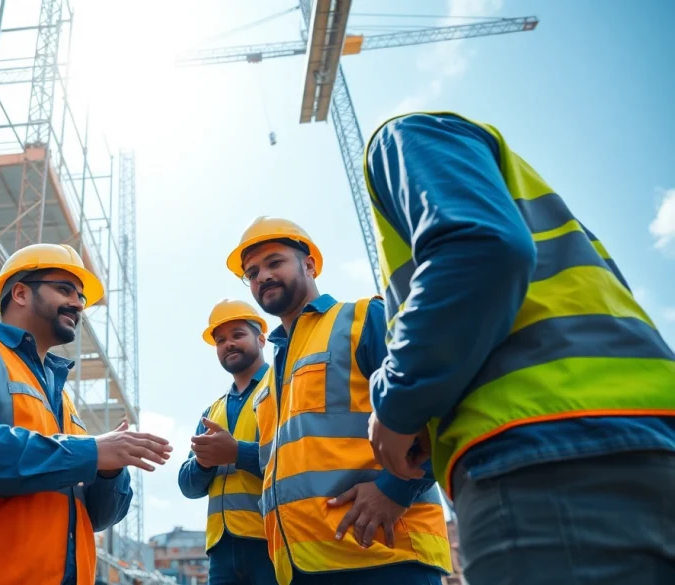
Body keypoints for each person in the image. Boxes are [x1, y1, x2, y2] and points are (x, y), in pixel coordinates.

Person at [363, 112, 675, 584]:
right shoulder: (519, 193)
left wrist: (396, 405)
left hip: (539, 451)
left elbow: (481, 250)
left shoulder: (402, 137)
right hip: (643, 430)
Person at [0, 243, 173, 585]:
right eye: (64, 289)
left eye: (81, 296)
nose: (78, 304)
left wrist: (109, 472)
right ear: (21, 293)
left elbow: (97, 517)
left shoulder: (62, 401)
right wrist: (92, 452)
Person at [227, 217, 452, 585]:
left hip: (384, 555)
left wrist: (394, 490)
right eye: (252, 273)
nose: (262, 276)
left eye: (274, 262)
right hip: (299, 567)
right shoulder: (269, 381)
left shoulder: (363, 319)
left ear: (309, 265)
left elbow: (436, 405)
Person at [178, 299, 279, 585]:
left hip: (271, 539)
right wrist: (203, 463)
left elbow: (297, 459)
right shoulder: (212, 411)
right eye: (220, 340)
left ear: (261, 339)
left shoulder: (282, 389)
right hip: (221, 549)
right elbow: (188, 487)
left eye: (238, 335)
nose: (228, 344)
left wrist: (237, 453)